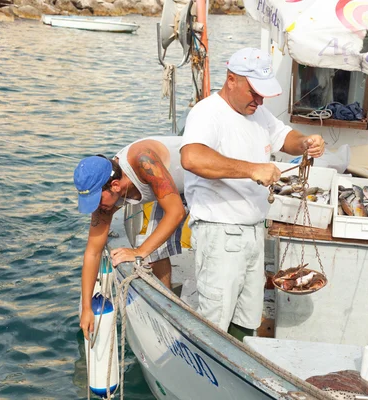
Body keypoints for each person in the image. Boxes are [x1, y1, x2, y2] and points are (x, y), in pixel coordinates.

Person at [179, 47, 325, 341]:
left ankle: (239, 362)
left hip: (253, 232)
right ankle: (211, 374)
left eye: (263, 94)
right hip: (221, 234)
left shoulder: (258, 112)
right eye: (254, 92)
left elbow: (285, 137)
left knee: (248, 315)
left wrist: (306, 142)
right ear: (231, 79)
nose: (259, 100)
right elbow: (192, 158)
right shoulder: (207, 113)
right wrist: (251, 169)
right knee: (215, 320)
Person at [74, 136, 187, 340]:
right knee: (157, 249)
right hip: (169, 189)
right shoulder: (105, 199)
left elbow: (176, 212)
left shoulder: (143, 160)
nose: (97, 208)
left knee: (150, 247)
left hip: (202, 177)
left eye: (96, 200)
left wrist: (139, 252)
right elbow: (93, 252)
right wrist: (87, 307)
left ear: (115, 185)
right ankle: (166, 310)